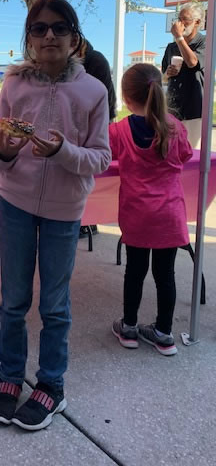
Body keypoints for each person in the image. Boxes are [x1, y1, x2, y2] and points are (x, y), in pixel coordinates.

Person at [0, 0, 111, 431]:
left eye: (60, 27)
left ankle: (52, 385)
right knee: (13, 301)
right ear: (30, 39)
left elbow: (101, 158)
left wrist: (62, 151)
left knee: (55, 305)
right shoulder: (14, 85)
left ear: (75, 38)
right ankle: (9, 375)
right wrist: (6, 151)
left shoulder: (94, 91)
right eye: (39, 28)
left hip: (64, 210)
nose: (50, 35)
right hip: (14, 203)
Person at [110, 63, 192, 357]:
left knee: (135, 271)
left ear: (125, 97)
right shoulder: (176, 127)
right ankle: (164, 334)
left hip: (137, 216)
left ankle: (129, 327)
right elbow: (185, 154)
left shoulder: (119, 130)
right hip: (169, 216)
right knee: (165, 274)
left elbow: (105, 153)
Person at [78, 38, 116, 238]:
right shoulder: (89, 60)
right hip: (90, 121)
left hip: (98, 121)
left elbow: (96, 98)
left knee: (90, 172)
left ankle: (89, 221)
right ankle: (87, 220)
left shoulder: (95, 60)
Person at [161, 2, 205, 148]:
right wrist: (167, 73)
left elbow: (192, 62)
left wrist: (179, 38)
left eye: (185, 19)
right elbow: (163, 77)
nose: (180, 23)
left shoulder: (204, 42)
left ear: (197, 22)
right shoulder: (171, 47)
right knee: (169, 151)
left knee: (191, 151)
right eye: (179, 19)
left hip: (194, 110)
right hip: (172, 109)